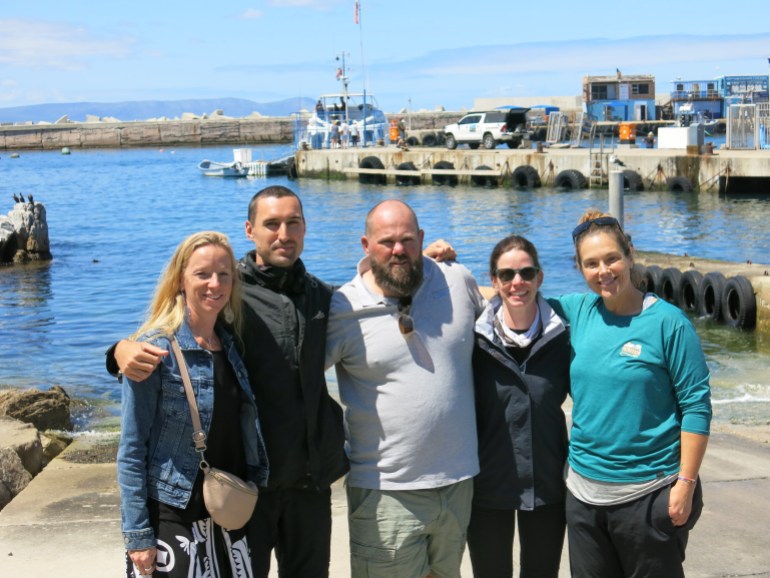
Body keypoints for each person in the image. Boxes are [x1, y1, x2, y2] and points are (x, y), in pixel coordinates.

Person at [110, 186, 349, 578]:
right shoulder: (229, 288)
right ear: (250, 230)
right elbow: (175, 333)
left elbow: (378, 294)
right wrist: (118, 351)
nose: (283, 234)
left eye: (293, 223)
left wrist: (430, 263)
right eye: (271, 224)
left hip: (309, 482)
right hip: (246, 487)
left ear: (306, 228)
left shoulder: (322, 296)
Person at [325, 199, 485, 578]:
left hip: (458, 484)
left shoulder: (456, 280)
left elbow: (500, 319)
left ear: (422, 239)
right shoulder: (344, 308)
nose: (398, 249)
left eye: (407, 240)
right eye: (387, 242)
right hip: (386, 491)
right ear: (366, 246)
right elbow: (295, 378)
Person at [550, 210, 711, 578]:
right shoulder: (577, 310)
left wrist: (685, 485)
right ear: (579, 268)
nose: (603, 271)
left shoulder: (668, 323)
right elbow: (514, 295)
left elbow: (697, 408)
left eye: (611, 259)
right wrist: (437, 267)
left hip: (649, 495)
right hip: (583, 497)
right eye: (591, 264)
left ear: (629, 254)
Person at [117, 231, 269, 578]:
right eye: (202, 274)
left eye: (223, 274)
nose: (214, 283)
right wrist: (139, 536)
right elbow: (131, 449)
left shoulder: (231, 345)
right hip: (174, 517)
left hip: (228, 515)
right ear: (180, 280)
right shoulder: (154, 350)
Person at [468, 235, 570, 578]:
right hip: (487, 482)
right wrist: (430, 258)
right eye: (507, 274)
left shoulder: (564, 333)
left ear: (540, 278)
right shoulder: (474, 338)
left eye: (527, 273)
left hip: (547, 483)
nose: (518, 282)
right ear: (493, 280)